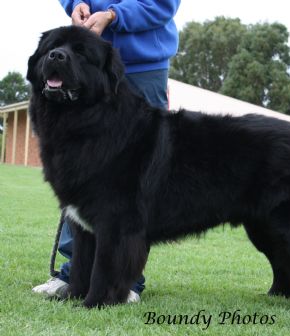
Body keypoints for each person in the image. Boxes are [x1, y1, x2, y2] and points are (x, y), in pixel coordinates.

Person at [32, 0, 181, 302]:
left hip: (143, 66)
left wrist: (114, 16)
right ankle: (74, 275)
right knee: (76, 178)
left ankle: (125, 282)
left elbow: (163, 4)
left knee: (135, 185)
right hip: (80, 58)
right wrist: (76, 3)